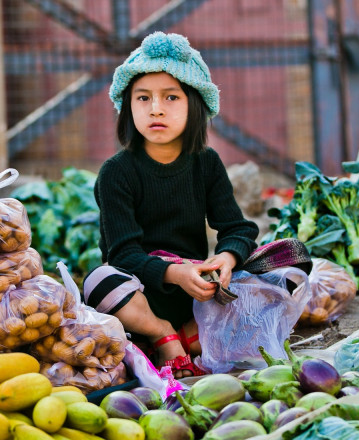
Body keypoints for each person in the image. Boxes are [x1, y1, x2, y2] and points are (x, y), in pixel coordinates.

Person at [83, 32, 260, 378]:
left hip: (198, 291)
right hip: (140, 295)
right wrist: (173, 273)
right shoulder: (116, 172)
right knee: (98, 279)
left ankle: (194, 330)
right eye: (143, 98)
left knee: (283, 262)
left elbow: (238, 229)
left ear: (194, 104)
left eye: (171, 97)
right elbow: (122, 255)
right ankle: (162, 333)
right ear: (127, 106)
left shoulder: (206, 163)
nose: (156, 108)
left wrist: (226, 258)